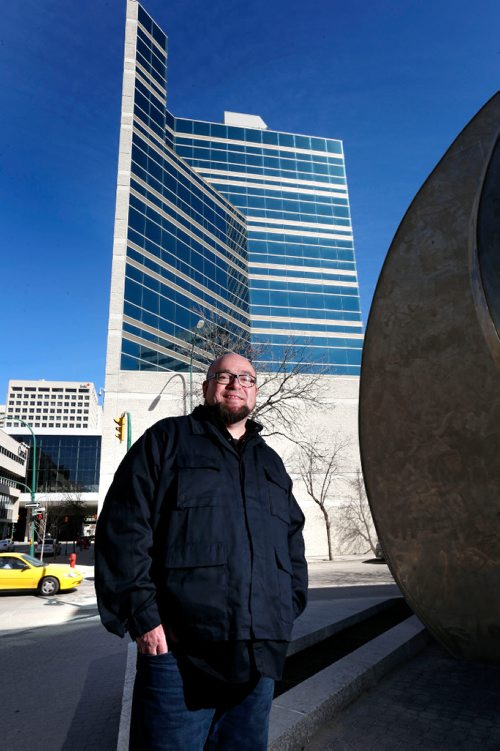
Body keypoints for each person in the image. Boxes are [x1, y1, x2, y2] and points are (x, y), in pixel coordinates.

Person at [95, 352, 308, 750]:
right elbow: (123, 528)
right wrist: (142, 616)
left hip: (258, 657)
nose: (235, 385)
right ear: (206, 386)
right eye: (224, 376)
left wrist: (288, 607)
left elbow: (293, 540)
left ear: (255, 391)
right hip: (178, 658)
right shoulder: (167, 440)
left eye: (246, 378)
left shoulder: (272, 463)